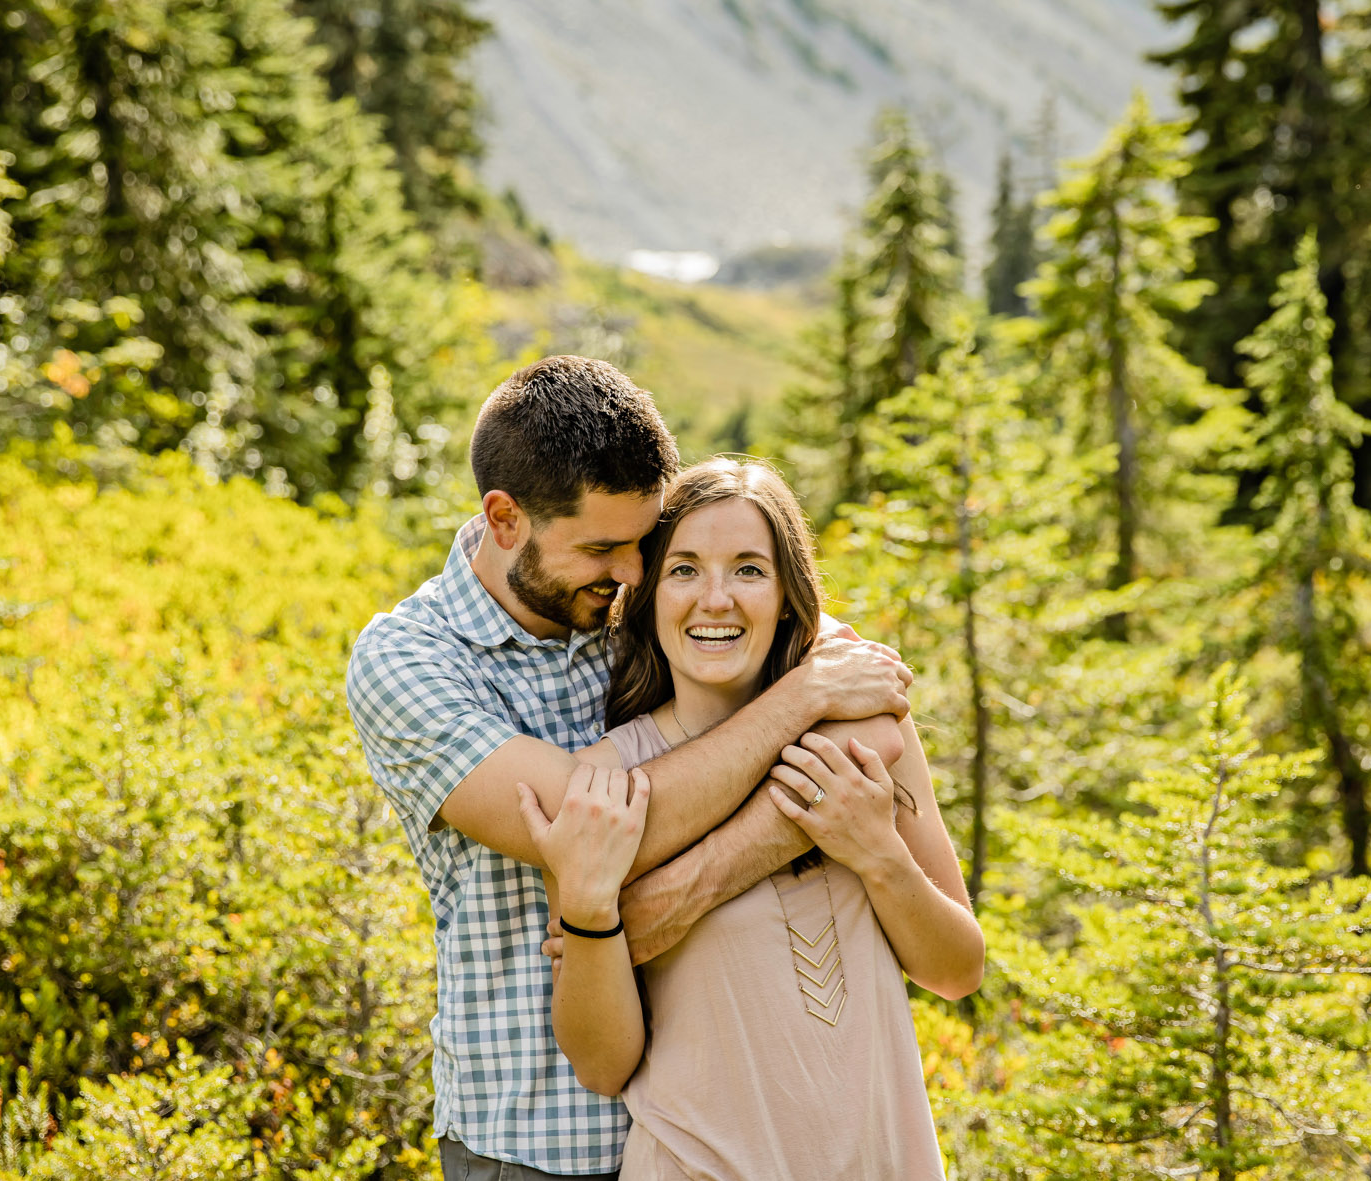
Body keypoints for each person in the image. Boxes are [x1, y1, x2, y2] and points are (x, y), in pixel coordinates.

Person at [347, 357, 913, 1180]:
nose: (632, 573)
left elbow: (863, 701)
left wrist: (701, 879)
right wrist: (794, 710)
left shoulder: (644, 599)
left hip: (712, 1133)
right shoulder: (409, 661)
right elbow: (594, 827)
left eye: (645, 543)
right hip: (539, 1143)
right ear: (505, 520)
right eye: (603, 547)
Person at [520, 457, 983, 1180]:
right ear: (648, 592)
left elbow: (958, 969)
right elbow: (603, 1064)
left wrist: (877, 853)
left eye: (748, 569)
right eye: (684, 569)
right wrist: (588, 911)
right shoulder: (610, 781)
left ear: (787, 593)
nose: (716, 599)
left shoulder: (862, 724)